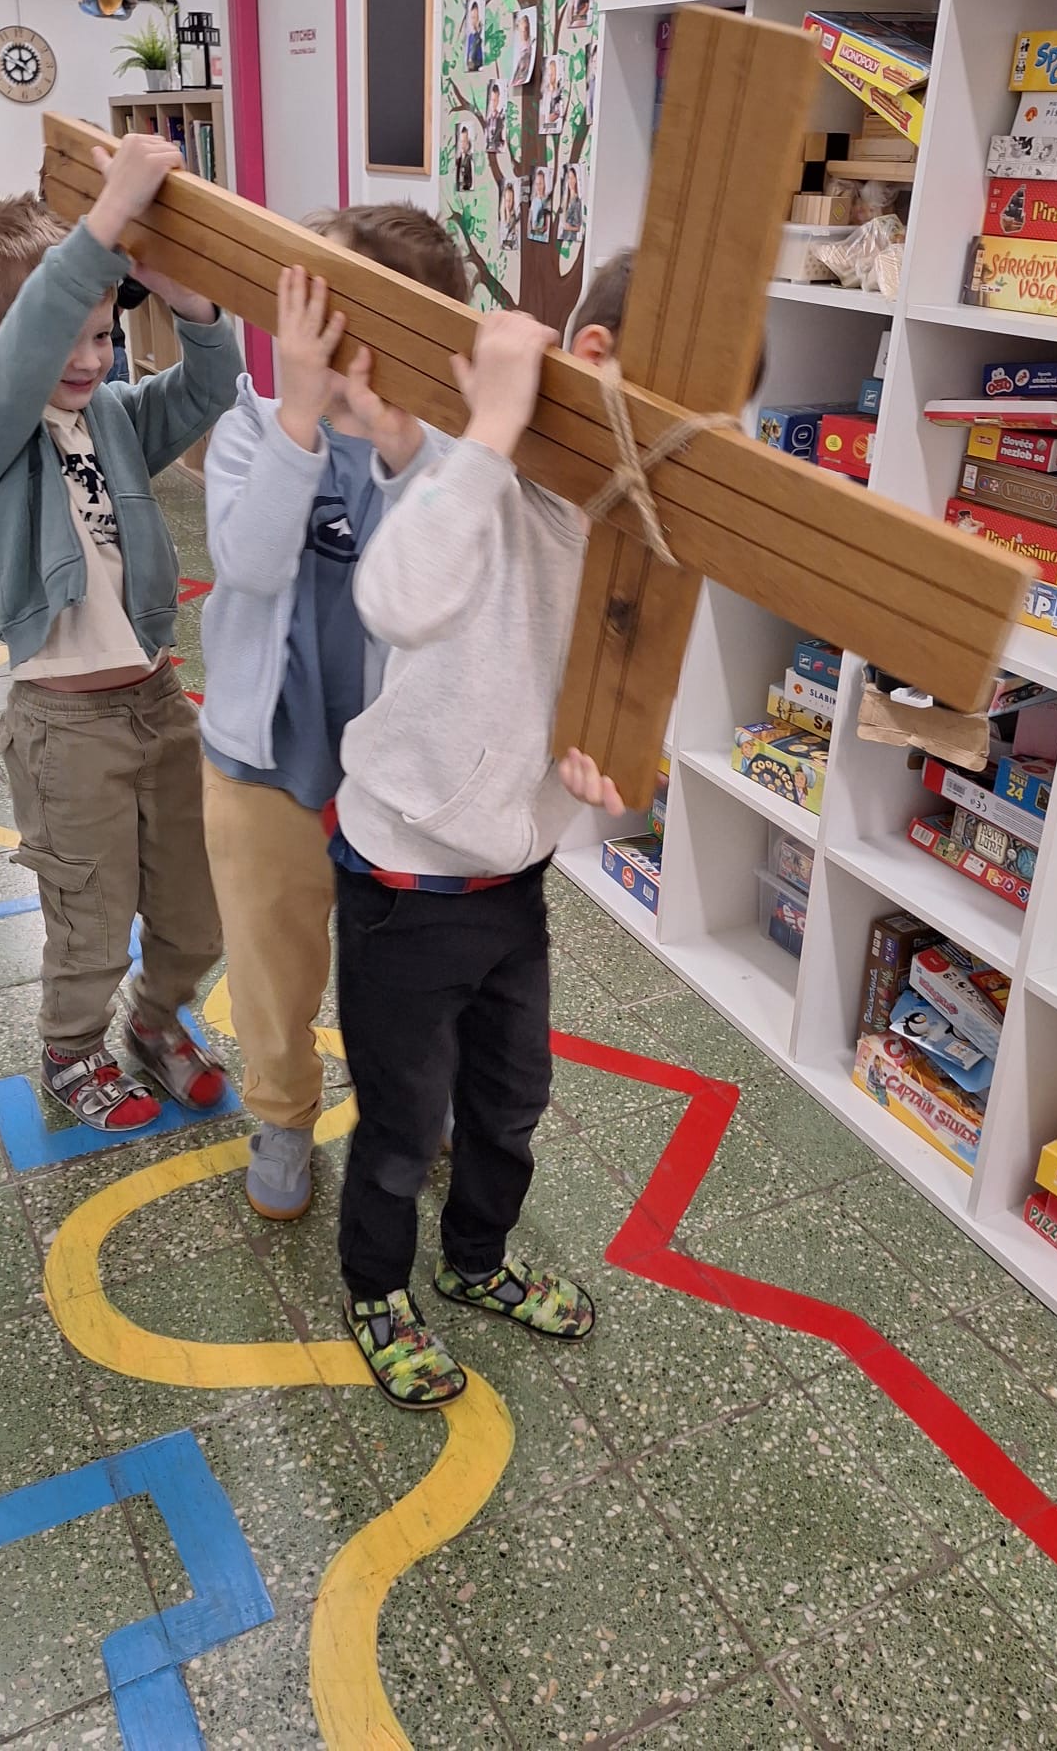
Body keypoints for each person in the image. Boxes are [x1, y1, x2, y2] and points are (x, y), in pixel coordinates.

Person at [330, 289, 631, 1408]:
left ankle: (475, 1261)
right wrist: (496, 422)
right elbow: (393, 599)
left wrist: (607, 765)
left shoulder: (622, 526)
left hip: (513, 874)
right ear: (594, 354)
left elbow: (607, 692)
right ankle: (377, 1291)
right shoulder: (479, 473)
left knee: (509, 1098)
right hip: (405, 878)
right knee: (403, 1121)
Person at [0, 135, 242, 1132]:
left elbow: (207, 389)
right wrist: (106, 219)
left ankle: (158, 1020)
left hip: (156, 704)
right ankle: (71, 1050)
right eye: (69, 334)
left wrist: (187, 302)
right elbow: (20, 364)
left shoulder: (110, 416)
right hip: (64, 730)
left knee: (196, 909)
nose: (90, 357)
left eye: (104, 334)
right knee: (90, 920)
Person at [199, 207, 465, 1220]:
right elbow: (251, 561)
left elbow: (444, 580)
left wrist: (407, 449)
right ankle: (282, 1115)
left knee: (406, 966)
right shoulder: (253, 428)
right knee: (271, 964)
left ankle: (412, 1098)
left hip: (396, 775)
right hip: (264, 763)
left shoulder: (444, 456)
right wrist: (300, 420)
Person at [559, 164, 585, 247]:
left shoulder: (577, 201)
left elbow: (578, 227)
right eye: (569, 178)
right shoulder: (565, 199)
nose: (570, 180)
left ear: (576, 180)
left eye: (572, 178)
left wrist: (566, 227)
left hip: (570, 240)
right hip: (563, 237)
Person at [511, 10, 534, 88]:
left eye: (526, 28)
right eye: (522, 30)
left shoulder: (531, 44)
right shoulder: (516, 47)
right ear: (518, 29)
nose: (524, 32)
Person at [528, 164, 551, 240]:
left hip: (542, 237)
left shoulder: (547, 201)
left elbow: (546, 226)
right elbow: (530, 220)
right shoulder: (533, 201)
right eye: (537, 184)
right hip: (532, 236)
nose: (538, 186)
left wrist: (539, 230)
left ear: (544, 184)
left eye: (540, 183)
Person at [483, 80, 505, 153]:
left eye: (495, 100)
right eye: (492, 100)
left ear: (498, 99)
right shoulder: (486, 118)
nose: (493, 103)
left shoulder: (501, 118)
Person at [464, 0, 484, 73]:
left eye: (475, 17)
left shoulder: (480, 36)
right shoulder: (471, 37)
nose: (473, 21)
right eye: (472, 17)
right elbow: (469, 62)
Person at [499, 179, 519, 251]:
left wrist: (508, 214)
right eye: (507, 200)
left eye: (510, 201)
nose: (508, 204)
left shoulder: (514, 216)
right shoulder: (502, 213)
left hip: (511, 243)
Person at [455, 124, 474, 191]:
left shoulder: (470, 159)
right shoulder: (458, 159)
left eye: (465, 142)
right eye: (461, 142)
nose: (463, 145)